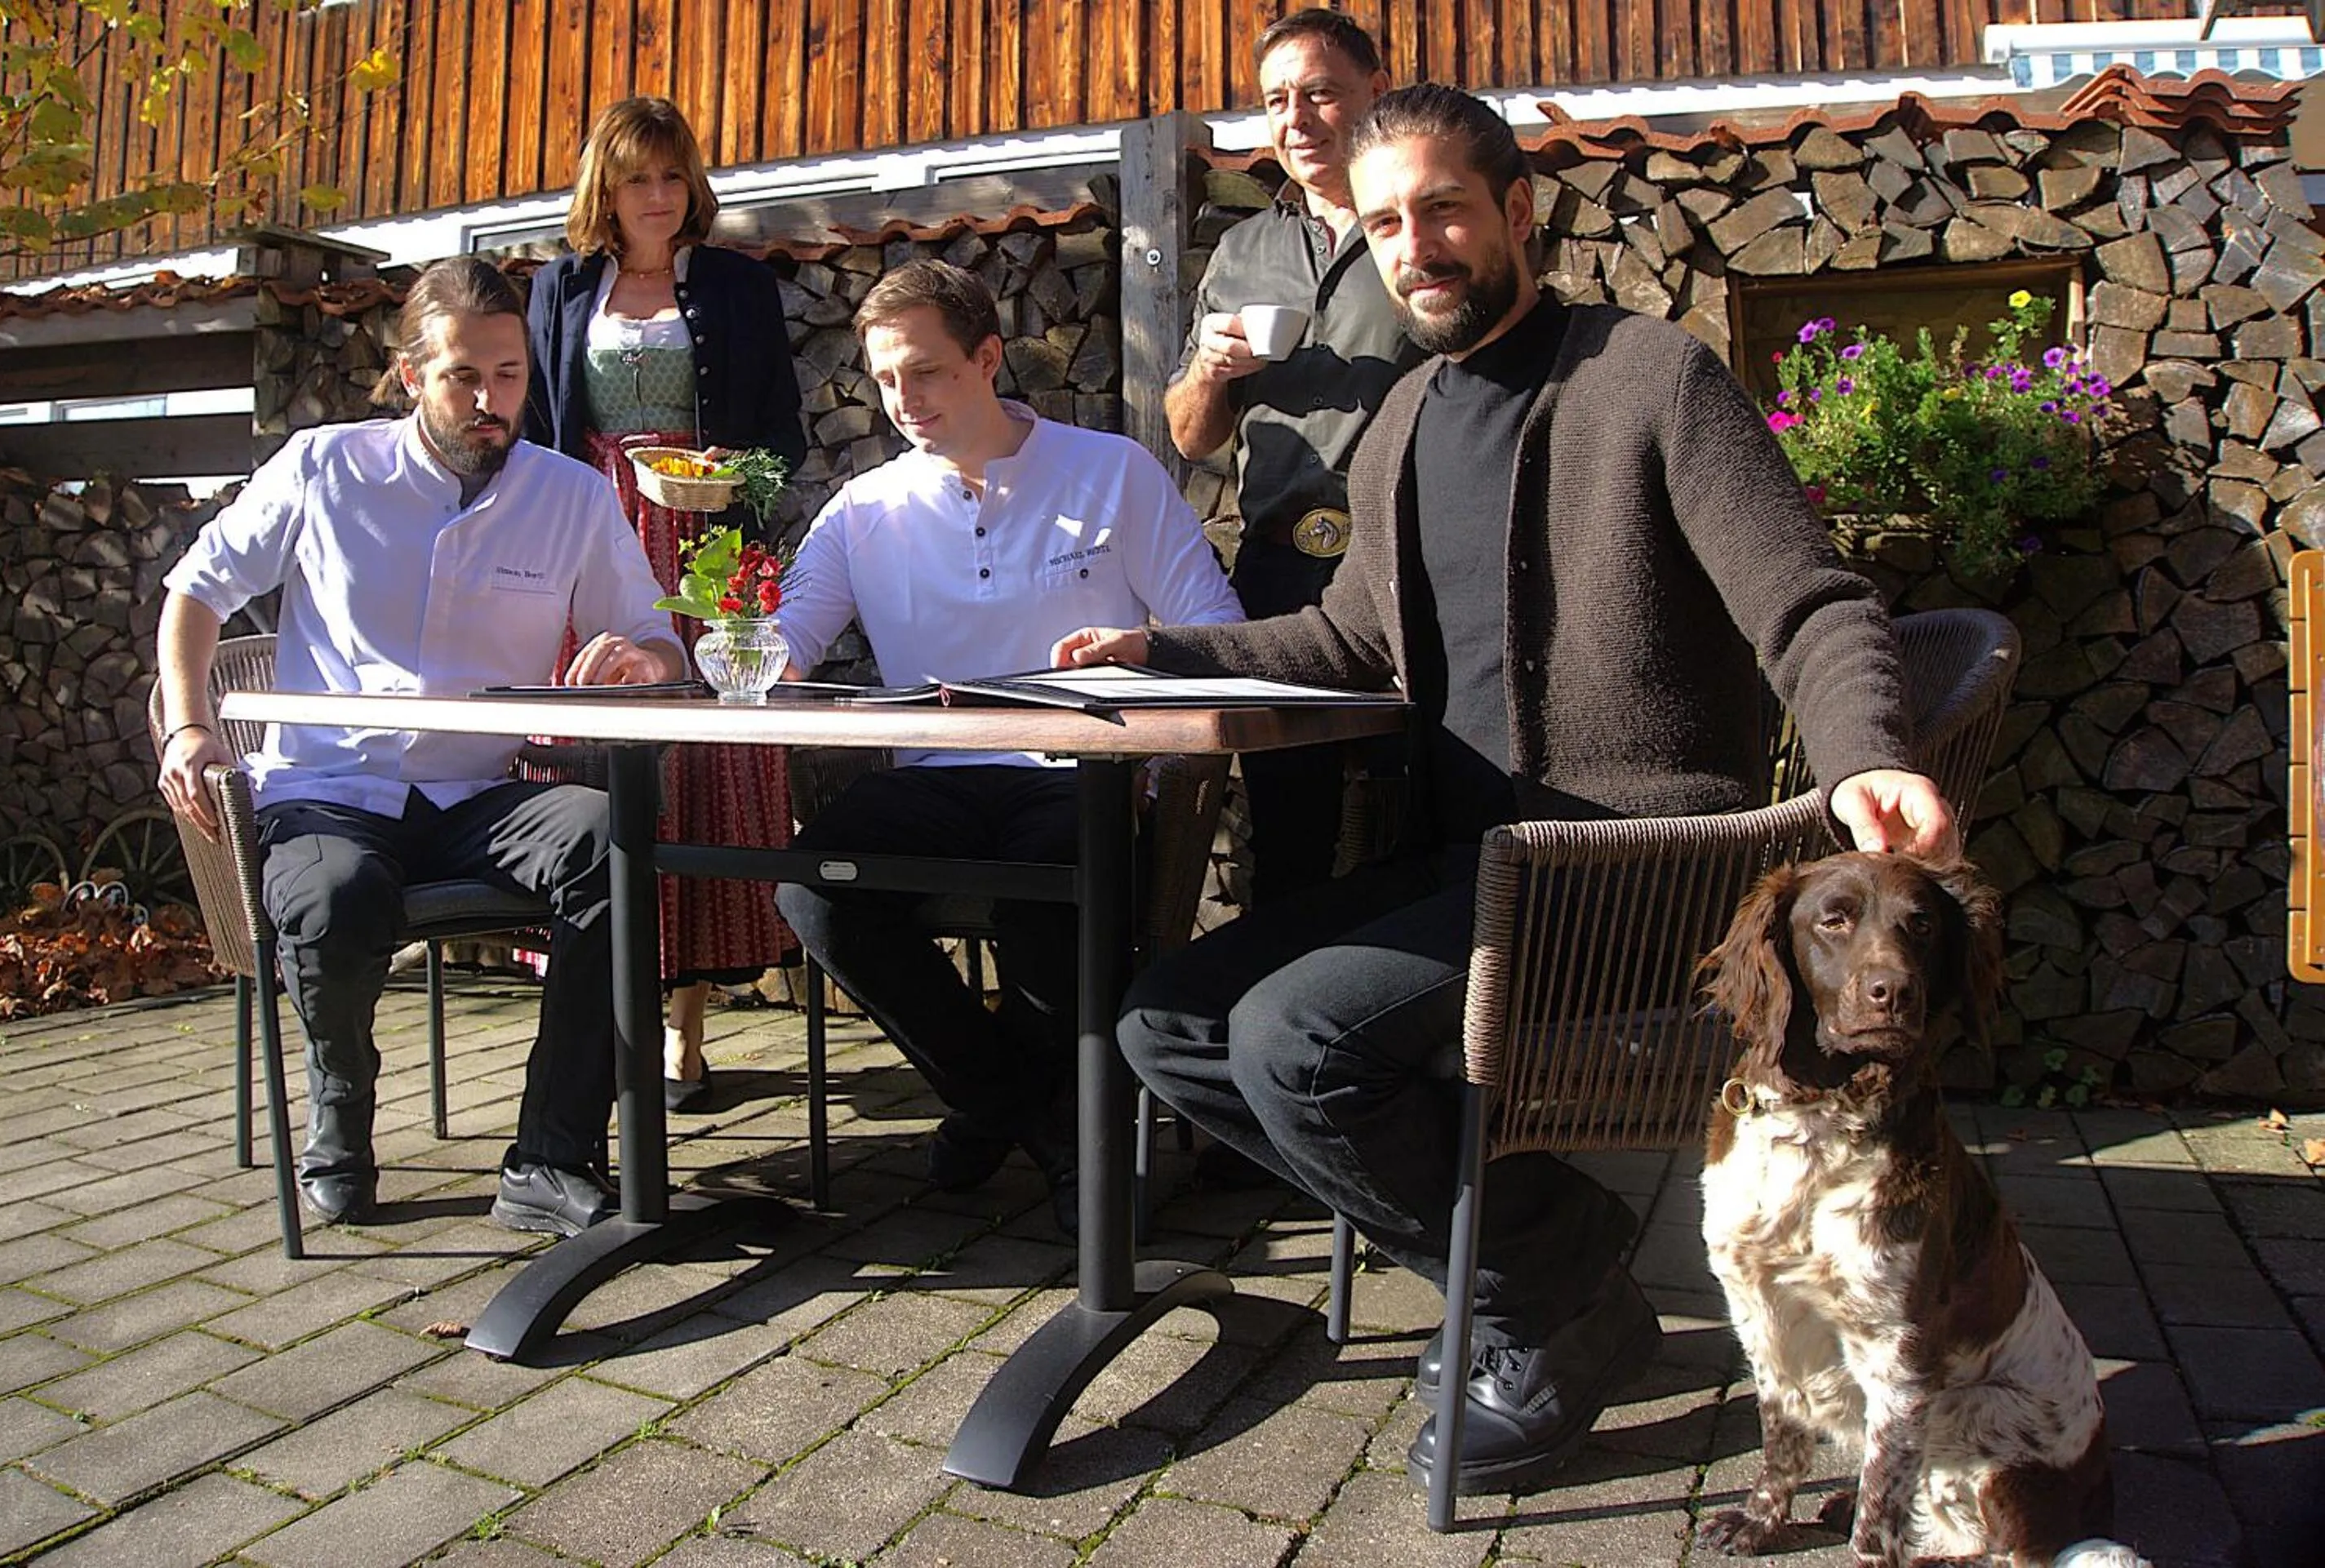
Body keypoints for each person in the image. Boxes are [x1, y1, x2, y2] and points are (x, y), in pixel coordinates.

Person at [1055, 86, 1957, 1495]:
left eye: (1443, 209)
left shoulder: (1651, 379)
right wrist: (1157, 647)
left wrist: (1866, 759)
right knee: (1166, 1021)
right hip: (1471, 868)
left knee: (1299, 1042)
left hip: (1628, 879)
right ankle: (1557, 1262)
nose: (1416, 245)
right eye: (1384, 222)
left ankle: (1544, 1303)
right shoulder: (1406, 413)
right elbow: (1347, 634)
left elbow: (1813, 603)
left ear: (1516, 211)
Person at [155, 256, 686, 1237]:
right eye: (464, 378)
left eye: (510, 376)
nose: (491, 402)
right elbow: (196, 591)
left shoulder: (567, 494)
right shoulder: (325, 468)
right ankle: (341, 1115)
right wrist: (191, 726)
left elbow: (655, 641)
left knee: (613, 844)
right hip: (327, 786)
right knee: (337, 894)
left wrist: (640, 660)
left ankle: (551, 1153)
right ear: (412, 376)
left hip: (475, 791)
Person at [771, 260, 1244, 1233]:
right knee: (813, 883)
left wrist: (1145, 658)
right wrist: (678, 640)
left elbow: (1214, 623)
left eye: (928, 372)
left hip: (1085, 773)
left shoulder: (1109, 471)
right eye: (887, 378)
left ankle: (1020, 1117)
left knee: (1051, 888)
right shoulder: (863, 509)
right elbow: (780, 638)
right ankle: (1029, 1113)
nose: (904, 400)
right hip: (936, 778)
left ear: (989, 357)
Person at [525, 95, 809, 1113]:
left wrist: (736, 482)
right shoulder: (559, 287)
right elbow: (537, 435)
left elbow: (783, 429)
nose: (657, 194)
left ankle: (683, 1031)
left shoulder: (734, 284)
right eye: (638, 175)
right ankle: (600, 1014)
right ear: (604, 185)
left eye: (673, 175)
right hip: (586, 545)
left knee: (699, 764)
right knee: (595, 760)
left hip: (704, 545)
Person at [1166, 7, 1422, 906]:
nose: (1298, 117)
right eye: (1278, 99)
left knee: (1416, 809)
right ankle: (1289, 1025)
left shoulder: (1418, 228)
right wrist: (1207, 367)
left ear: (1375, 93)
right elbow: (1192, 435)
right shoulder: (1242, 250)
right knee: (1287, 827)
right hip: (1277, 573)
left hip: (1410, 565)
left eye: (1320, 92)